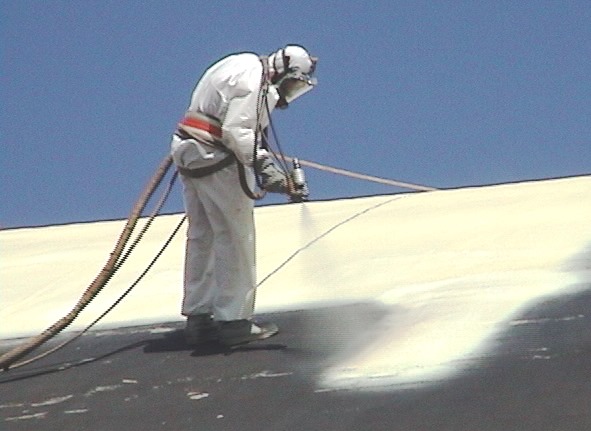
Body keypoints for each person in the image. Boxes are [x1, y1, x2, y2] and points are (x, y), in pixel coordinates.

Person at [169, 45, 318, 346]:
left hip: (189, 152)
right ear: (284, 72)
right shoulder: (255, 82)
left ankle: (199, 316)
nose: (288, 95)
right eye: (292, 85)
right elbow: (236, 131)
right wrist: (266, 168)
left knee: (202, 237)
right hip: (216, 159)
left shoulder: (241, 63)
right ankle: (233, 321)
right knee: (236, 238)